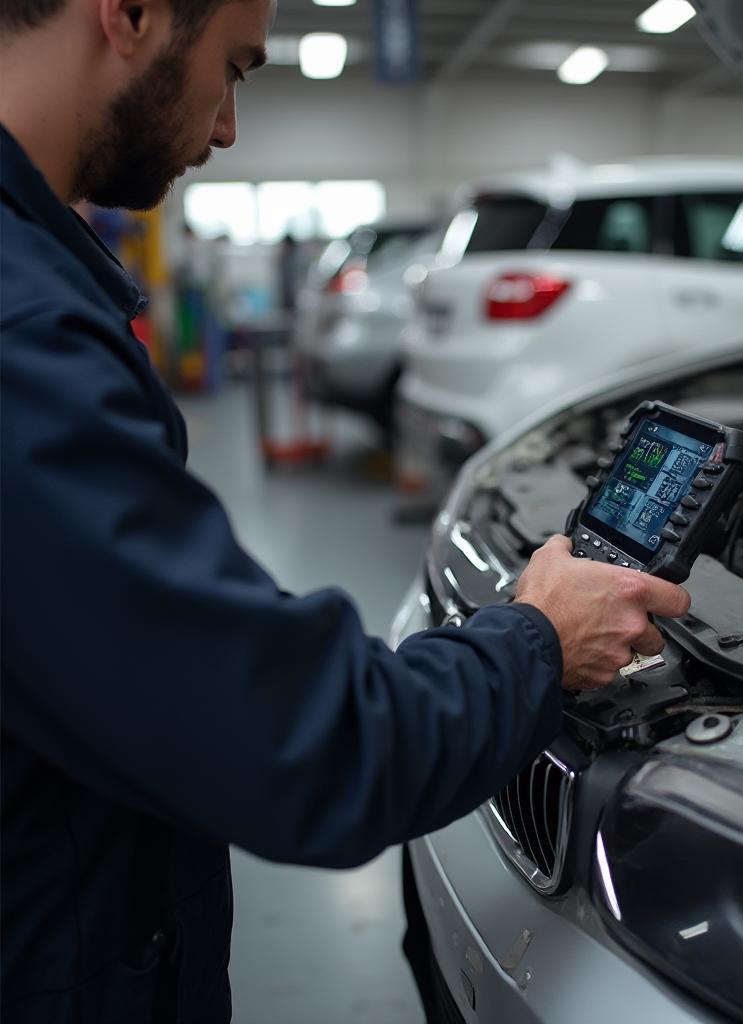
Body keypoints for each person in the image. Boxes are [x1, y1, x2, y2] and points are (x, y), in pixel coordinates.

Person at [0, 1, 691, 1020]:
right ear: (132, 13)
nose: (228, 125)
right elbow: (305, 745)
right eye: (232, 68)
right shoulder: (23, 340)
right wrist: (538, 637)